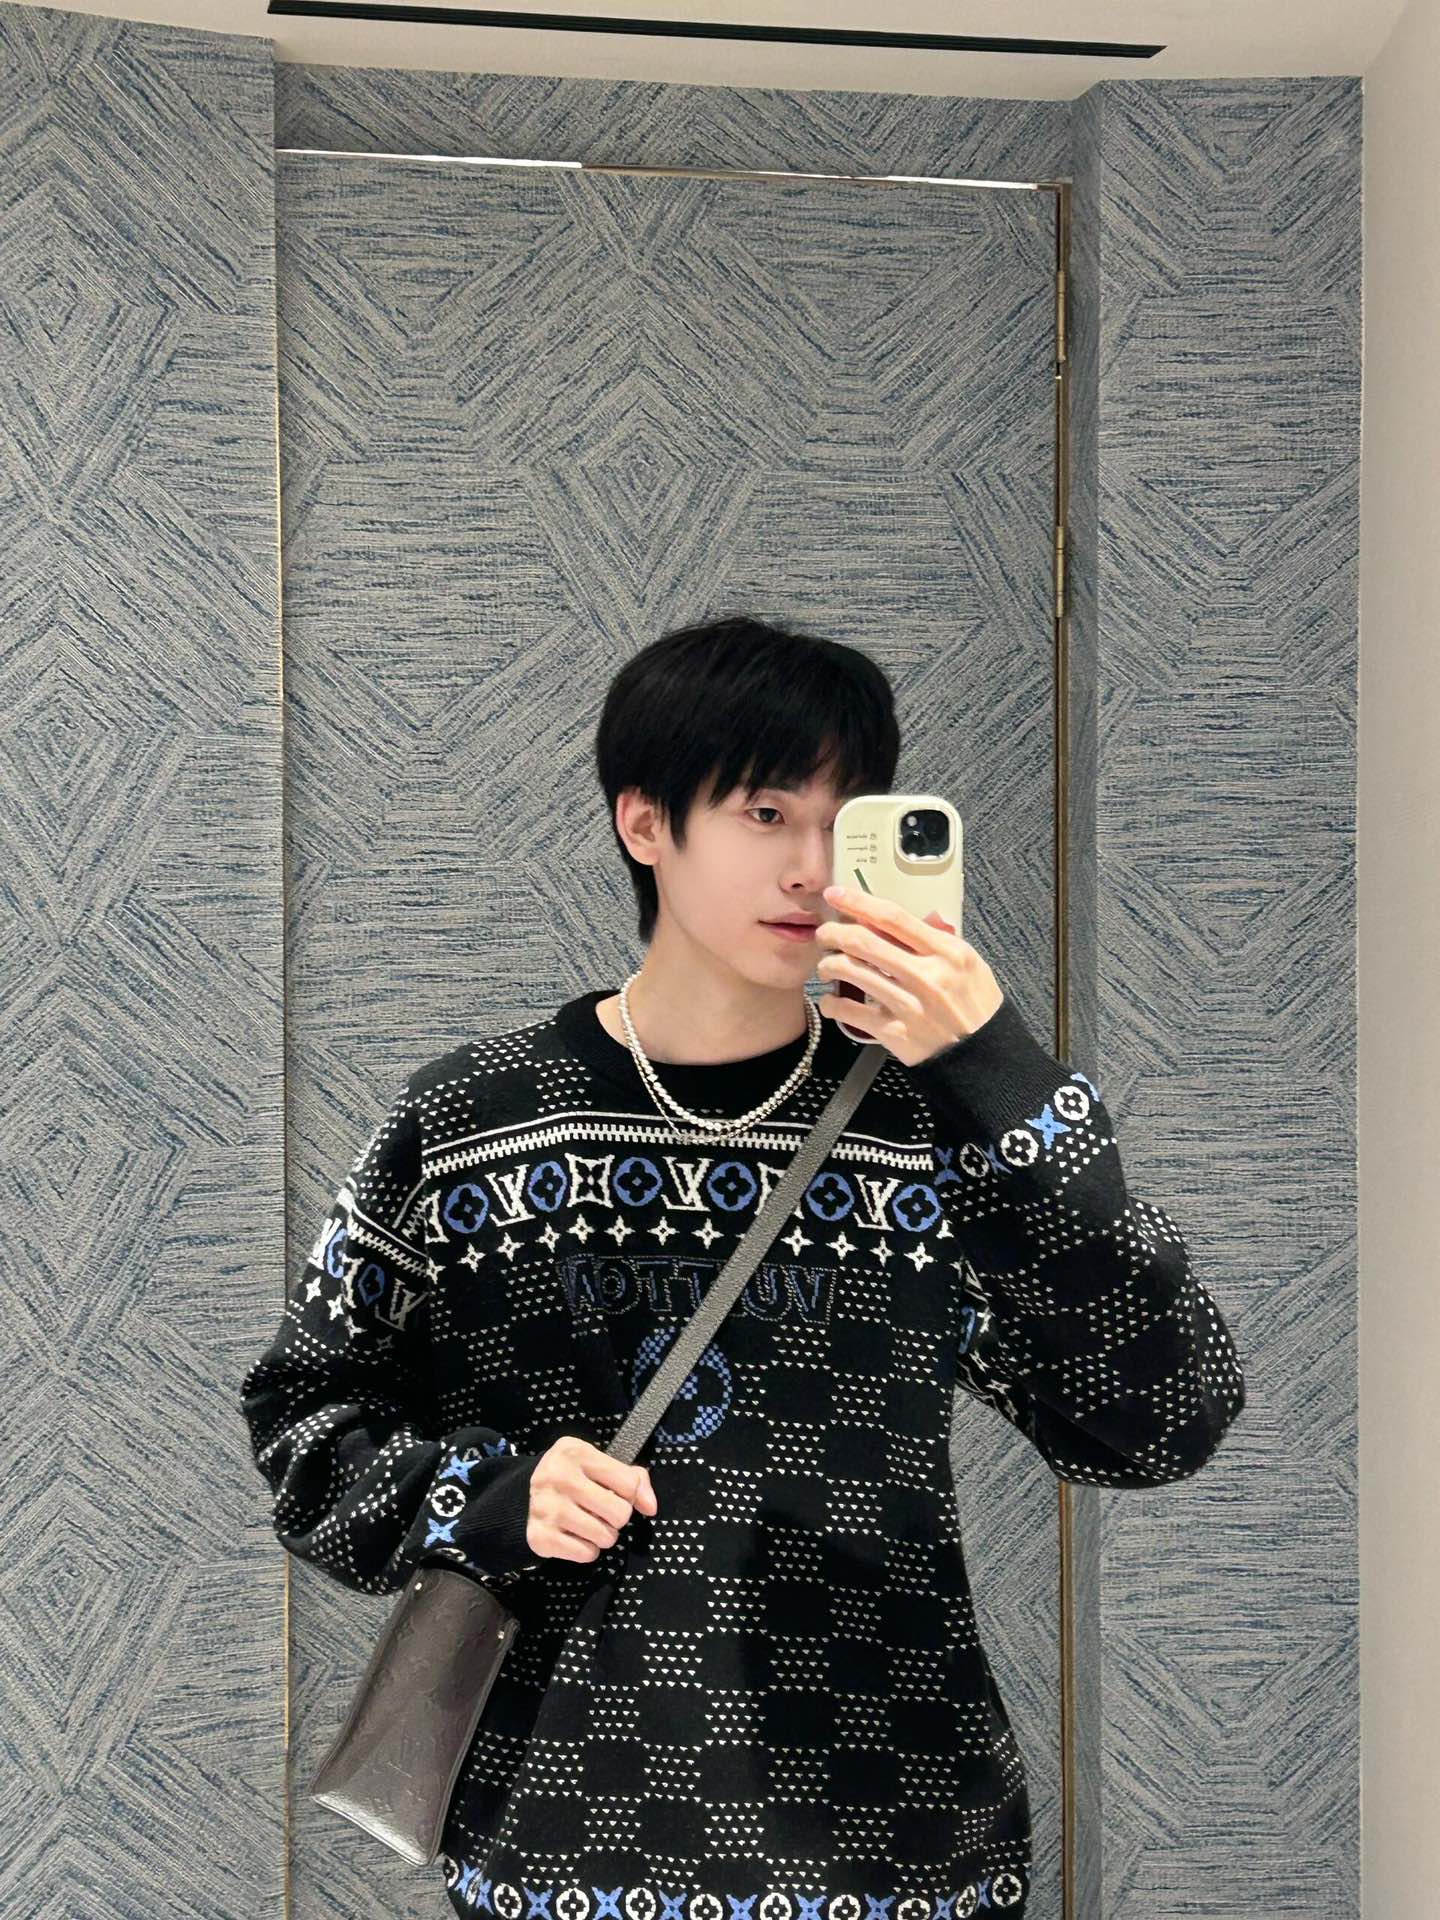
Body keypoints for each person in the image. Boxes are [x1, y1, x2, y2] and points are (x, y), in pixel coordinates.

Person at [240, 613, 1245, 1920]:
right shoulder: (470, 1121)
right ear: (644, 823)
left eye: (844, 821)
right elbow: (302, 1420)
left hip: (896, 1859)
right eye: (767, 814)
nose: (812, 870)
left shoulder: (939, 1129)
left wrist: (1000, 1072)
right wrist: (490, 1496)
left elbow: (1164, 1417)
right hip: (564, 1856)